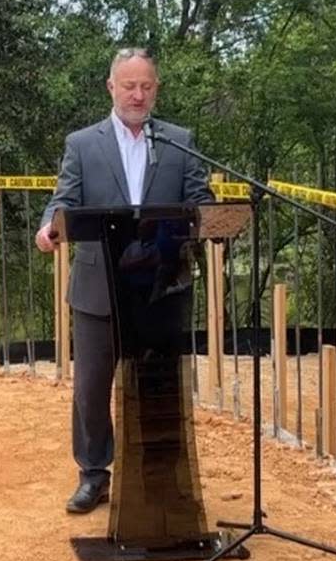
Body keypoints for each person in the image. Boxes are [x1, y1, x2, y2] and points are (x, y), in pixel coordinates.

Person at [34, 47, 214, 514]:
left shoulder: (178, 141)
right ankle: (94, 474)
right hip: (99, 288)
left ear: (156, 89)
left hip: (161, 286)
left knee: (160, 383)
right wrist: (48, 227)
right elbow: (64, 198)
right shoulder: (83, 143)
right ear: (111, 87)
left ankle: (159, 474)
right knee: (91, 387)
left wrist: (209, 218)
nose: (138, 95)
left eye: (146, 86)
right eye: (129, 86)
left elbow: (201, 199)